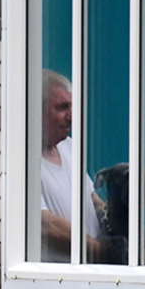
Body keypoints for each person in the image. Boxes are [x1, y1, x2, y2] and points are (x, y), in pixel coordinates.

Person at [39, 69, 105, 262]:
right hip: (61, 283)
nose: (71, 116)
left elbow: (92, 198)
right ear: (38, 109)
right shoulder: (22, 162)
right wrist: (101, 251)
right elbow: (46, 225)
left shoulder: (69, 146)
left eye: (72, 108)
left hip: (91, 275)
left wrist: (113, 220)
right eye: (61, 107)